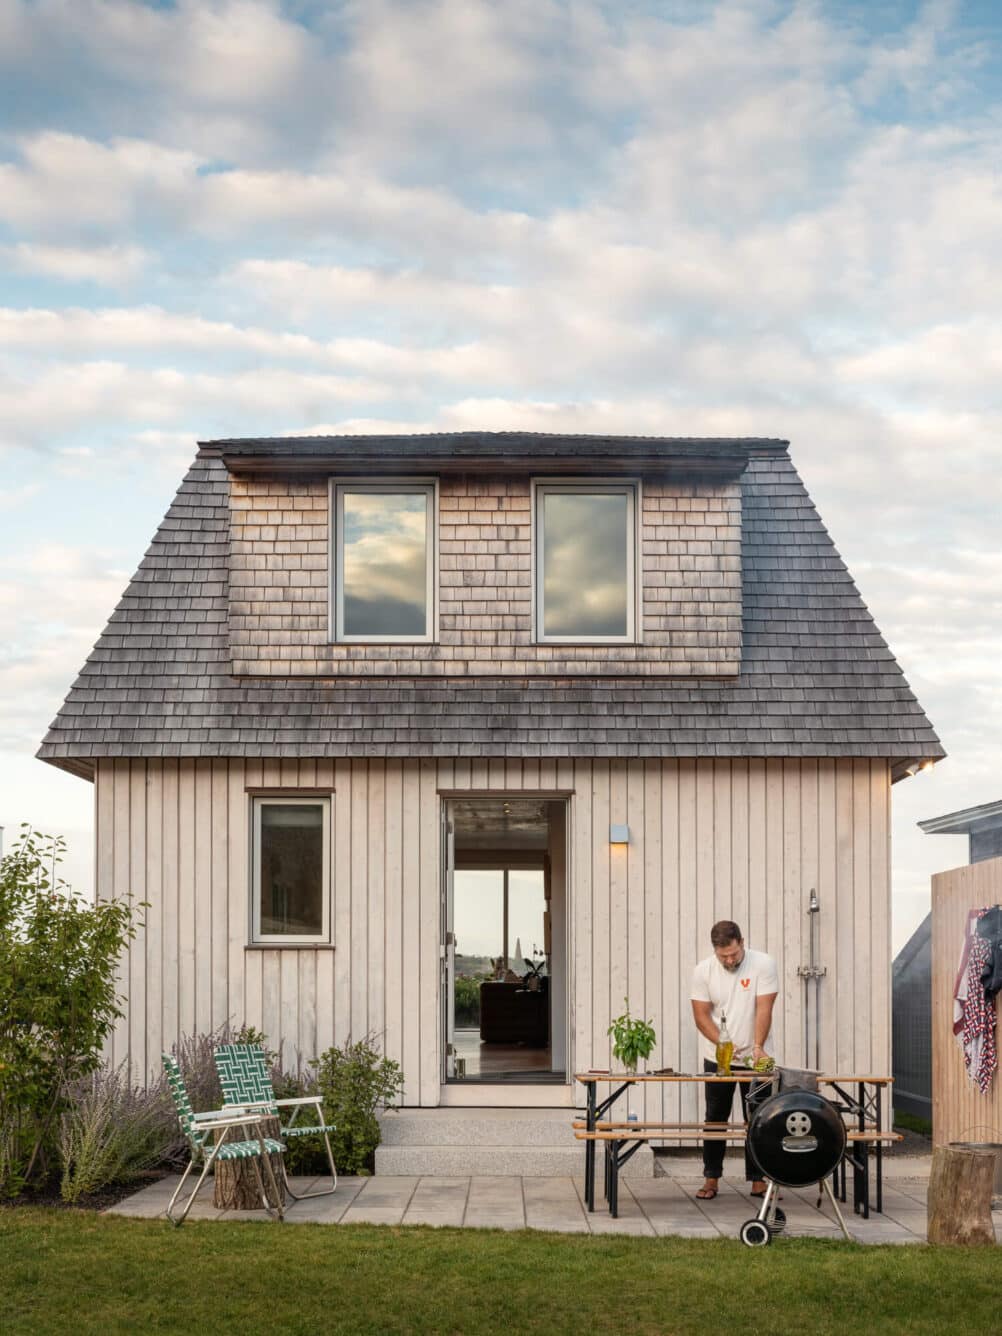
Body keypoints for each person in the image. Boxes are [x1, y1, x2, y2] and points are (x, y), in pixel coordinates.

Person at [690, 920, 778, 1200]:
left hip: (760, 1055)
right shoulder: (703, 971)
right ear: (714, 950)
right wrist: (723, 1043)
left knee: (760, 1117)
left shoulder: (763, 964)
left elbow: (765, 1008)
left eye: (733, 954)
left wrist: (757, 1046)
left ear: (742, 942)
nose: (729, 960)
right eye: (723, 956)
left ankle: (758, 1179)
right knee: (715, 1117)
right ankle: (711, 1178)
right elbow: (701, 1015)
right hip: (718, 1056)